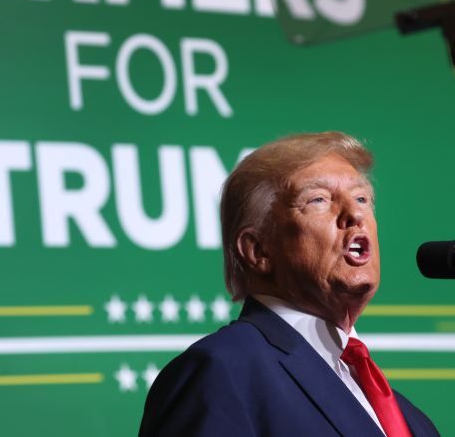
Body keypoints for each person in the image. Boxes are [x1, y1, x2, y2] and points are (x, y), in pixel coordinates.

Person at [139, 132, 440, 437]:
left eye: (362, 198)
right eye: (319, 199)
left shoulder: (413, 420)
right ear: (259, 250)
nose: (356, 213)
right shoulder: (221, 372)